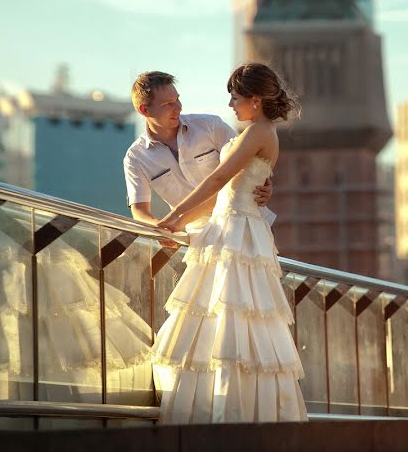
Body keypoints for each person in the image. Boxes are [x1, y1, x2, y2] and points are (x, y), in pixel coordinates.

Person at [151, 62, 307, 424]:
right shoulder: (255, 132)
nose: (231, 105)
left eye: (235, 98)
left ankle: (233, 414)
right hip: (228, 227)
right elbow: (231, 189)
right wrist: (181, 219)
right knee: (223, 318)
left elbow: (220, 178)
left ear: (254, 99)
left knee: (236, 317)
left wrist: (176, 213)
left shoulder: (258, 132)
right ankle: (223, 408)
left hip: (239, 232)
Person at [123, 71, 274, 234]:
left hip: (244, 224)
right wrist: (160, 228)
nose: (178, 107)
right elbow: (139, 211)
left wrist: (265, 186)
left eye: (177, 99)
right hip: (196, 236)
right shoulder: (135, 158)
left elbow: (249, 165)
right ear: (144, 110)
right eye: (168, 104)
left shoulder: (211, 125)